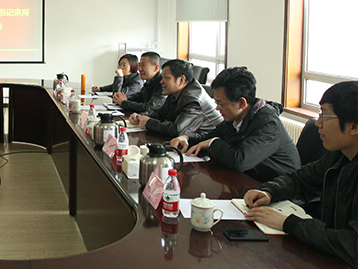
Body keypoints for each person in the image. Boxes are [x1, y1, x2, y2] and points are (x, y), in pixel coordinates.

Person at [243, 81, 358, 268]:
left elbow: (352, 245)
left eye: (325, 116)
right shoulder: (339, 155)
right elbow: (299, 179)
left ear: (353, 126)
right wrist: (269, 192)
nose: (318, 123)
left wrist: (289, 223)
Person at [170, 67, 301, 182]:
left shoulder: (268, 124)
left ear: (242, 103)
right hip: (248, 181)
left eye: (221, 104)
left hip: (277, 189)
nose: (217, 108)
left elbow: (240, 161)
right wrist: (186, 138)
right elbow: (211, 137)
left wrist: (212, 143)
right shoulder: (237, 116)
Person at [129, 59, 222, 138]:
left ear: (181, 80)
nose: (161, 81)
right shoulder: (176, 91)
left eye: (166, 77)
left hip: (206, 144)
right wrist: (140, 116)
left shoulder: (192, 99)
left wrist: (149, 122)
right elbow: (160, 113)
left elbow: (178, 130)